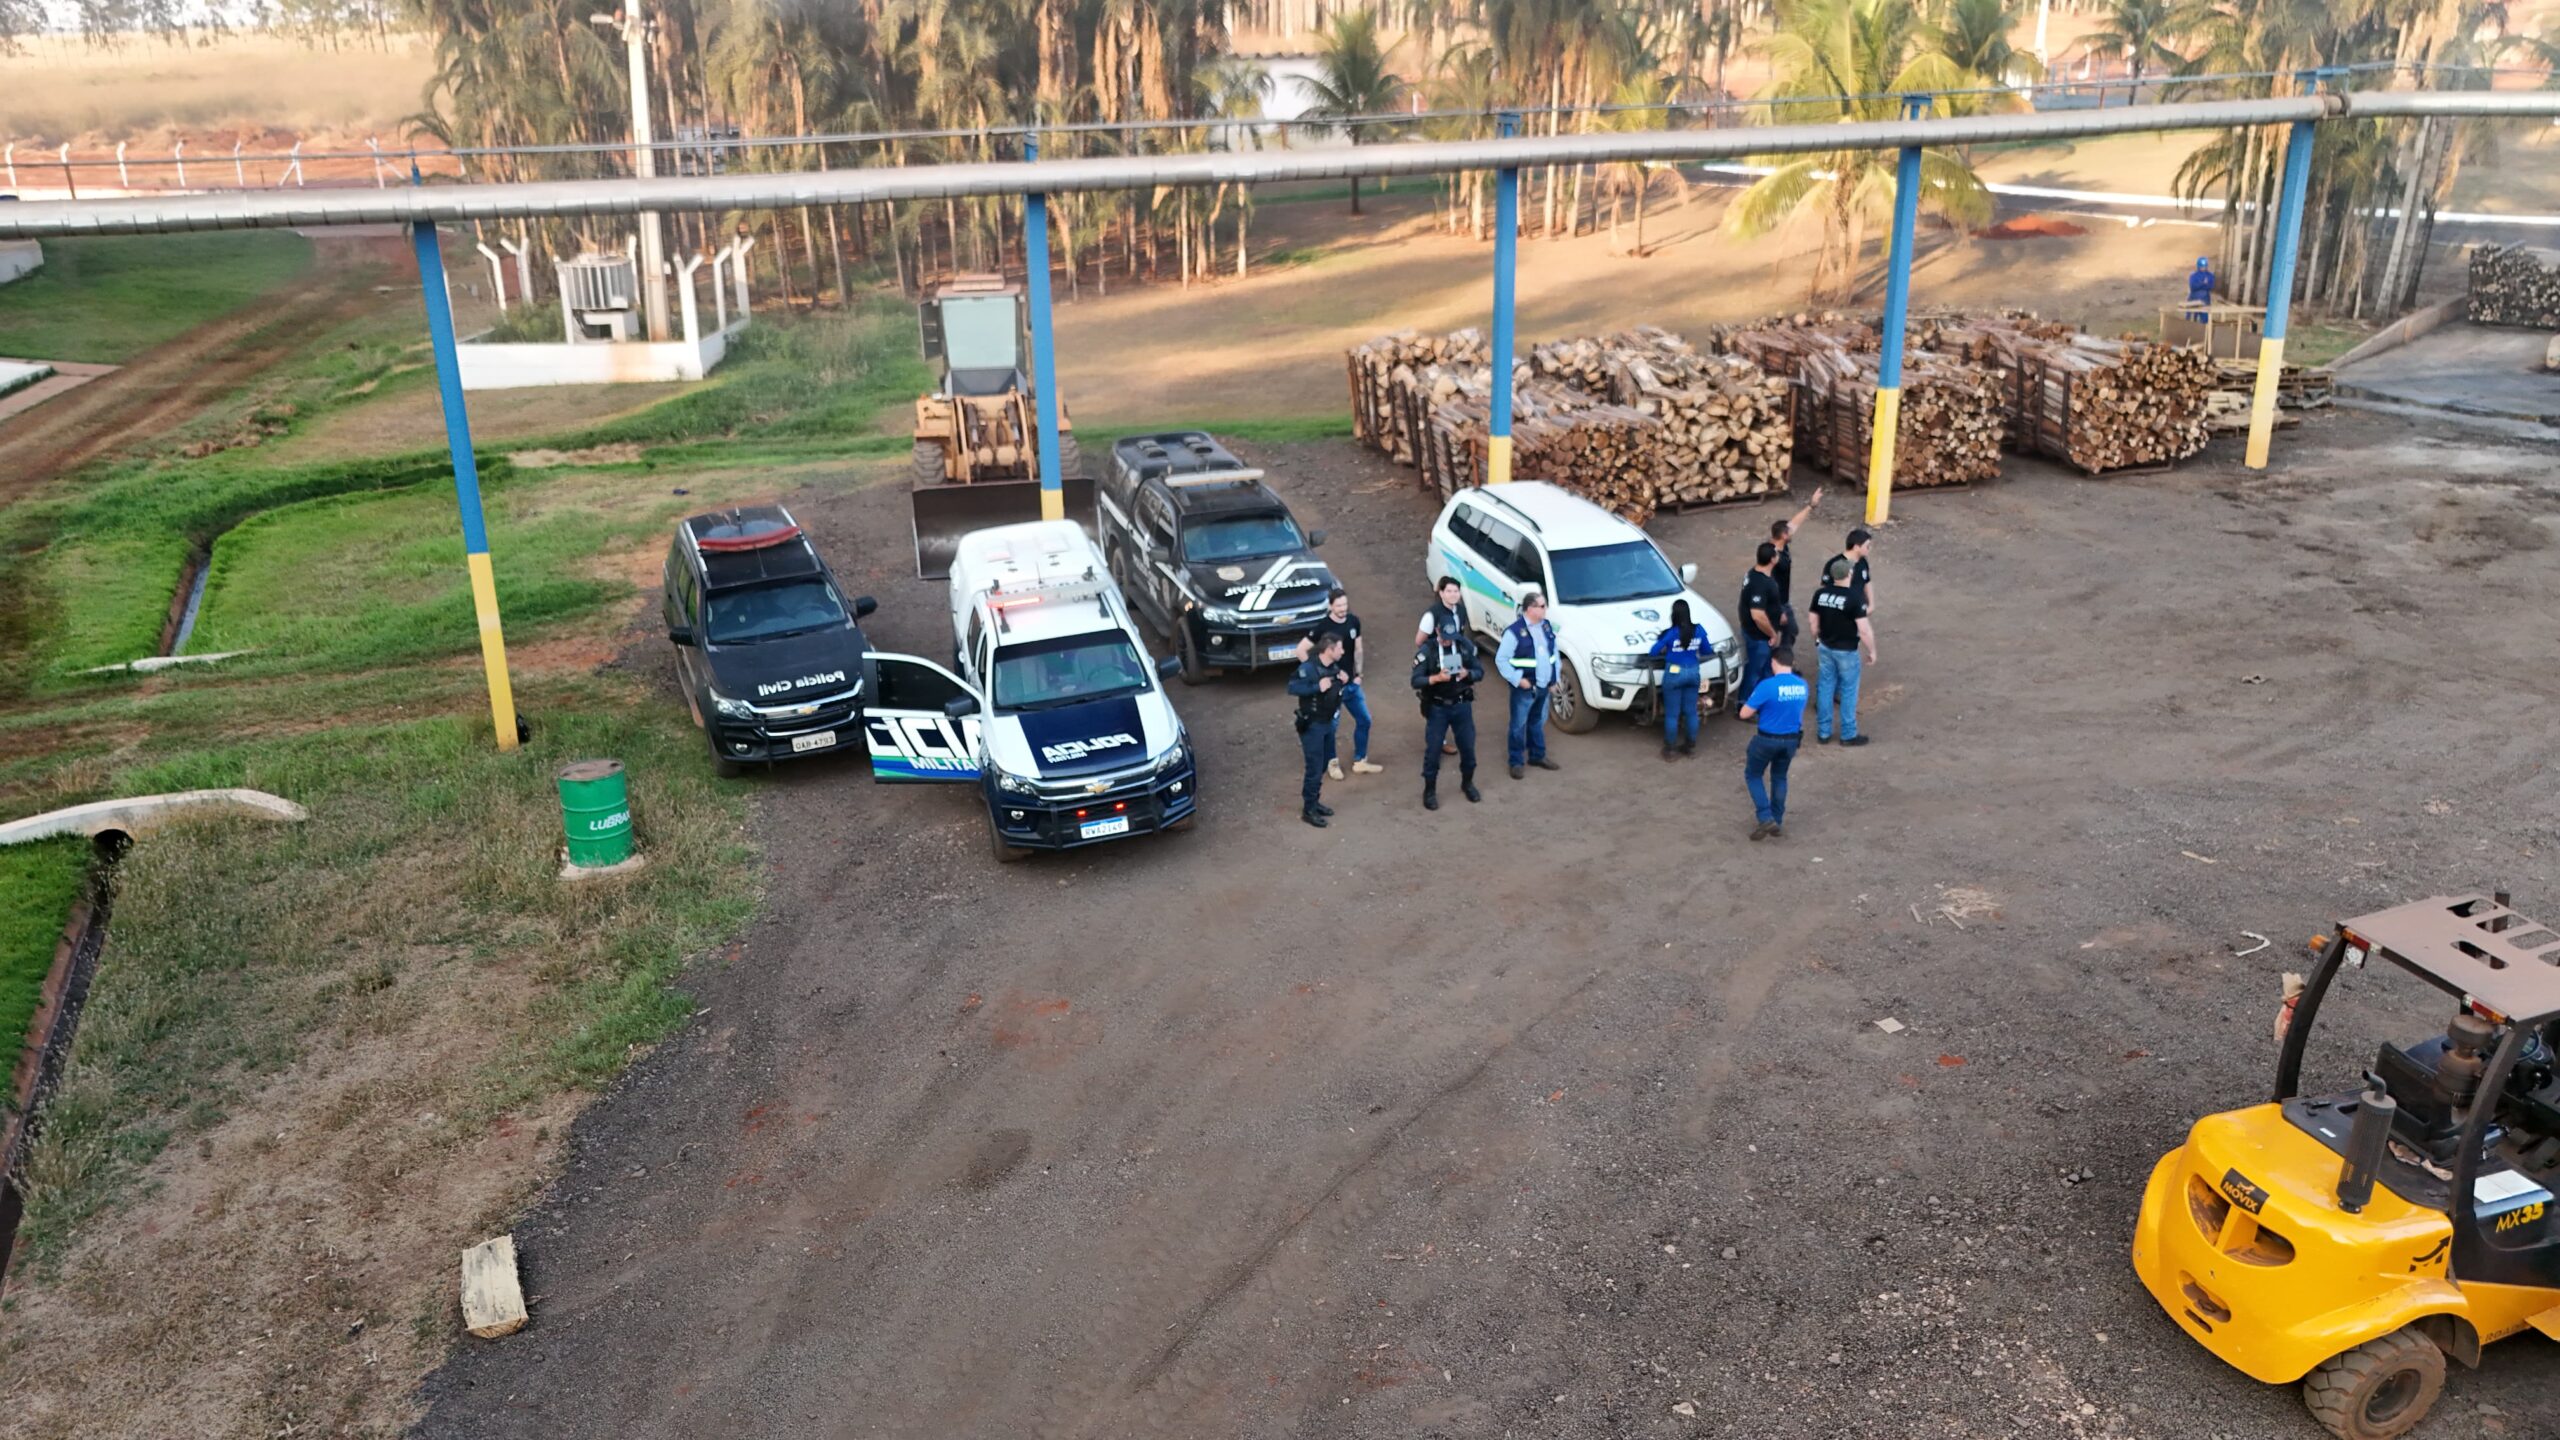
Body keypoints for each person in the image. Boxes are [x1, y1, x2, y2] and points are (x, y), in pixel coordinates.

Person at [1299, 587, 1382, 779]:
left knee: (1365, 719)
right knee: (1330, 727)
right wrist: (1319, 674)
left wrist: (1359, 673)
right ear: (1330, 606)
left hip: (1351, 684)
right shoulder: (1322, 627)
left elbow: (1358, 649)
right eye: (1338, 606)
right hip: (1332, 689)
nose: (1343, 608)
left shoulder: (1353, 622)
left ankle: (1360, 760)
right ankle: (1332, 763)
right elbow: (1301, 650)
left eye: (1345, 604)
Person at [1410, 617, 1483, 810]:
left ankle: (1467, 783)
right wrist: (1436, 678)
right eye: (1444, 637)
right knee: (1433, 751)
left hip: (1461, 705)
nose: (1448, 641)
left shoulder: (1464, 646)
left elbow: (1480, 671)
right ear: (1437, 631)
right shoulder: (1428, 651)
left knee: (1468, 748)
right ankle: (1429, 790)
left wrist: (1468, 674)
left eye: (1451, 638)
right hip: (1438, 707)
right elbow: (1415, 680)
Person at [1737, 646, 1809, 841]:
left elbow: (1744, 714)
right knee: (1779, 777)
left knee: (1753, 775)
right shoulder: (1802, 685)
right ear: (1792, 662)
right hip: (1791, 740)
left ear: (1773, 662)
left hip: (1766, 739)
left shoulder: (1767, 686)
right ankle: (1776, 819)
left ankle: (1765, 817)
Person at [1494, 591, 1564, 779]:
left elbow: (1554, 655)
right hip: (1525, 688)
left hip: (1544, 686)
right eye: (1542, 606)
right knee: (1519, 725)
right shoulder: (1514, 632)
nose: (1545, 609)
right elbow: (1501, 660)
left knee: (1537, 722)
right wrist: (1517, 679)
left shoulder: (1546, 627)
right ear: (1530, 608)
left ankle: (1537, 755)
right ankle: (1516, 761)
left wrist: (1554, 678)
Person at [1809, 556, 1876, 747]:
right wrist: (1872, 650)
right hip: (1846, 651)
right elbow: (1863, 630)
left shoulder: (1820, 594)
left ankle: (1824, 732)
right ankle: (1848, 734)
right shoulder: (1854, 598)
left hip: (1825, 647)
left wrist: (1817, 638)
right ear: (1849, 574)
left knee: (1825, 687)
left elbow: (1813, 621)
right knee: (1848, 691)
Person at [1288, 633, 1351, 828]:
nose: (1343, 651)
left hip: (1327, 723)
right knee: (1314, 768)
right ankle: (1309, 809)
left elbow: (1335, 691)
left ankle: (1314, 802)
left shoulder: (1333, 667)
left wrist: (1343, 680)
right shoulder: (1309, 668)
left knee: (1323, 764)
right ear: (1329, 650)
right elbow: (1292, 687)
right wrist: (1317, 687)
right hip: (1313, 725)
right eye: (1340, 648)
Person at [1646, 598, 1710, 759]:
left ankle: (1671, 750)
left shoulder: (1671, 633)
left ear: (1673, 614)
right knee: (1691, 712)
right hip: (1693, 672)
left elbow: (1653, 652)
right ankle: (1690, 747)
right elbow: (1707, 650)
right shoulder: (1699, 630)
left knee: (1672, 714)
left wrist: (1667, 650)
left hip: (1674, 673)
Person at [1416, 575, 1468, 756]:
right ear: (1441, 593)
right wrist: (1434, 653)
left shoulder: (1461, 611)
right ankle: (1436, 743)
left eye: (1456, 591)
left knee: (1453, 693)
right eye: (1449, 591)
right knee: (1434, 700)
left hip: (1454, 658)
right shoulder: (1432, 615)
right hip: (1436, 659)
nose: (1453, 594)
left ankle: (1444, 738)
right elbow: (1419, 640)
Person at [1768, 485, 1823, 648]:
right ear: (1783, 535)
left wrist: (1811, 505)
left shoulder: (1780, 544)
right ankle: (1776, 658)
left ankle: (1782, 656)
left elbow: (1794, 523)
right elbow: (1769, 585)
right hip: (1777, 603)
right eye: (1789, 532)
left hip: (1783, 601)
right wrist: (1779, 610)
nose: (1792, 532)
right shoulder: (1773, 558)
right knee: (1778, 631)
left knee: (1790, 630)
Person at [1735, 541, 1785, 713]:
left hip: (1755, 633)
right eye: (1776, 554)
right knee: (1754, 672)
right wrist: (1772, 634)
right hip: (1759, 636)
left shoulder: (1752, 574)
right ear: (1772, 559)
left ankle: (1762, 703)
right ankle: (1744, 706)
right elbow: (1758, 615)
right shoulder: (1762, 583)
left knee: (1764, 671)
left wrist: (1779, 614)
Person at [1828, 526, 1877, 620]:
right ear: (1856, 547)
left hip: (1859, 609)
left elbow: (1867, 581)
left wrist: (1871, 604)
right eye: (1867, 546)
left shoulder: (1863, 561)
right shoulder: (1835, 564)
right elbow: (1828, 589)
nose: (1869, 549)